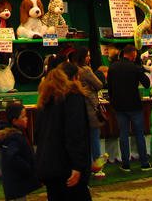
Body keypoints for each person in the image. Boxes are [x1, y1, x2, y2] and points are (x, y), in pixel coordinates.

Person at [35, 62, 92, 201]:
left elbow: (37, 134)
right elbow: (74, 132)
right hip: (65, 166)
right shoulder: (72, 95)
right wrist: (77, 165)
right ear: (75, 78)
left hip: (48, 164)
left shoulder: (45, 97)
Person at [106, 44, 152, 172]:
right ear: (133, 54)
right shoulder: (135, 68)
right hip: (134, 105)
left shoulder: (113, 67)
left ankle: (125, 164)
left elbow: (110, 88)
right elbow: (147, 84)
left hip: (119, 106)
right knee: (139, 134)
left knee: (124, 134)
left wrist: (113, 103)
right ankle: (144, 163)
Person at [0, 102, 43, 201]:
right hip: (17, 182)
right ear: (15, 121)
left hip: (16, 181)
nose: (26, 119)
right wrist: (27, 168)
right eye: (23, 117)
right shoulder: (14, 137)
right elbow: (13, 157)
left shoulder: (13, 135)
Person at [71, 46, 108, 179]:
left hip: (78, 109)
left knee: (84, 140)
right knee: (94, 139)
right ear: (82, 56)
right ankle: (98, 168)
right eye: (87, 55)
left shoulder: (73, 69)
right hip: (91, 108)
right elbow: (99, 85)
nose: (89, 58)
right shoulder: (86, 70)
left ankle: (86, 167)